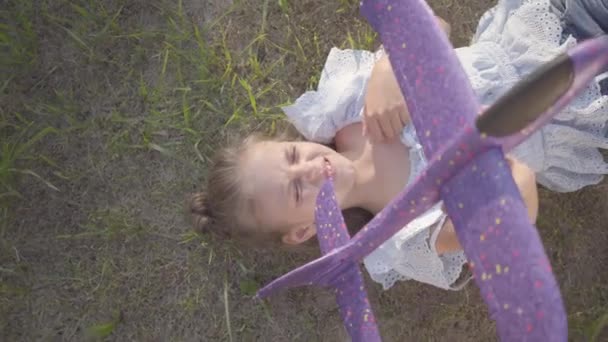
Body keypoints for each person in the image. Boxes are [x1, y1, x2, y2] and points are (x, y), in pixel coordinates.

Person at [189, 0, 608, 291]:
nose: (312, 168)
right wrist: (502, 164)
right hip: (574, 106)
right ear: (304, 231)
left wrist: (390, 66)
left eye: (293, 156)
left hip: (541, 30)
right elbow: (515, 220)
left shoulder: (346, 108)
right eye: (297, 189)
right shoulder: (404, 236)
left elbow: (434, 27)